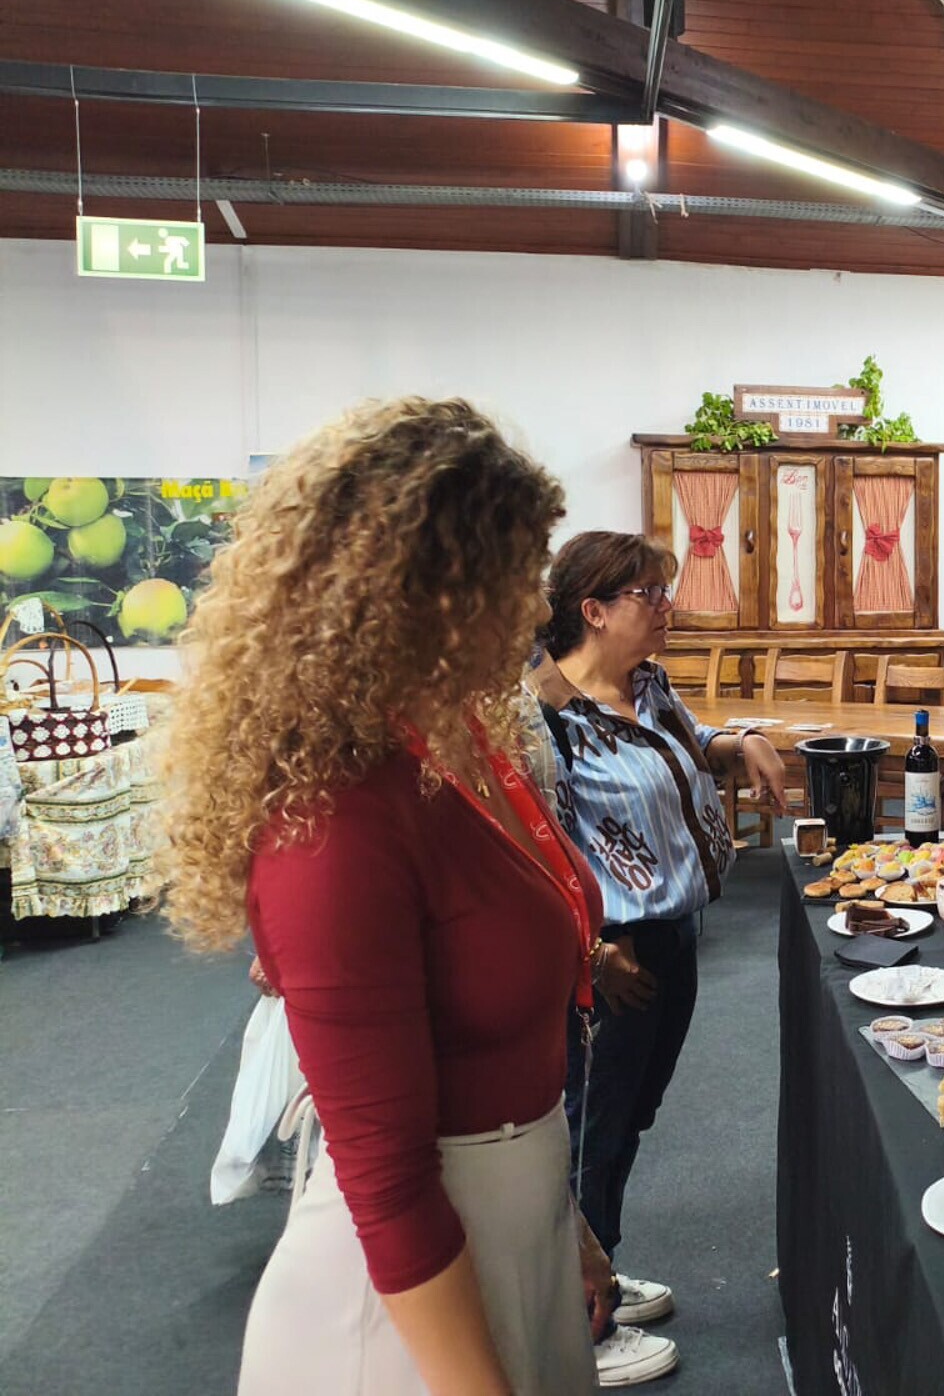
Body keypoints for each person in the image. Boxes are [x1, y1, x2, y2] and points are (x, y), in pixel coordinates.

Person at [162, 397, 626, 1395]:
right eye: (513, 576)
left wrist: (565, 1222)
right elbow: (384, 1176)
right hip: (403, 1314)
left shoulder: (445, 754)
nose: (531, 611)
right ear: (427, 589)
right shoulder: (332, 824)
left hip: (505, 1229)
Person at [527, 530, 786, 1387]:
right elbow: (538, 847)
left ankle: (598, 1269)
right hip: (615, 954)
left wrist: (734, 742)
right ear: (593, 610)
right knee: (591, 1129)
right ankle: (577, 1326)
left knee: (630, 1117)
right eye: (650, 595)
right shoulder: (545, 713)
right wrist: (592, 950)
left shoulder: (648, 684)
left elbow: (687, 738)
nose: (668, 609)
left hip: (675, 935)